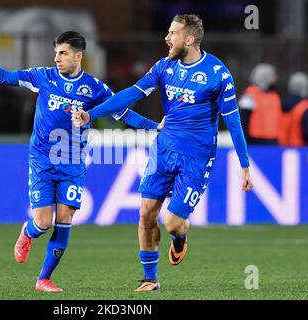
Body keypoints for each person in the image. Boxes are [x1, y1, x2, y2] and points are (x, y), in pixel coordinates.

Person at [72, 14, 254, 291]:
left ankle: (180, 238)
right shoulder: (164, 67)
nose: (166, 38)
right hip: (163, 150)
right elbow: (130, 94)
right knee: (146, 212)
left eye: (173, 33)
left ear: (189, 39)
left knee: (171, 223)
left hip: (196, 157)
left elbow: (233, 121)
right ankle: (150, 279)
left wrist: (244, 165)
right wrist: (91, 114)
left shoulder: (218, 74)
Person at [0, 31, 161, 292]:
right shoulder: (43, 76)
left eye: (63, 53)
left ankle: (43, 279)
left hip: (72, 163)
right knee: (43, 222)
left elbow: (123, 113)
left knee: (65, 217)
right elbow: (3, 76)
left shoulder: (94, 88)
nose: (57, 58)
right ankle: (28, 232)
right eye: (56, 53)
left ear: (78, 56)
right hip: (42, 160)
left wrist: (153, 127)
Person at [238, 63, 282, 145]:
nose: (275, 78)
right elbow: (243, 120)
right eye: (273, 75)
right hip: (255, 142)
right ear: (265, 77)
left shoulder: (275, 96)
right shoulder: (249, 95)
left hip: (273, 142)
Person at [278, 72, 308, 146]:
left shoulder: (279, 104)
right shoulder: (305, 107)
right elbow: (307, 133)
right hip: (299, 150)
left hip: (280, 149)